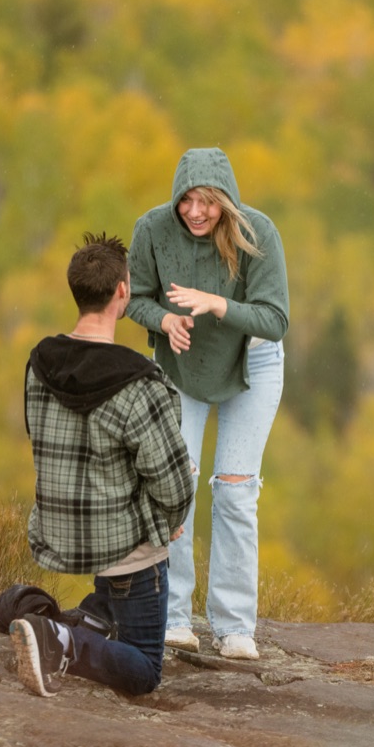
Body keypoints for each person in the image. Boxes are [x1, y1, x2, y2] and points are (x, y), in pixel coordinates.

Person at [14, 232, 196, 698]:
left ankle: (29, 610)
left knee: (118, 533)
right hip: (124, 552)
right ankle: (61, 641)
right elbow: (174, 488)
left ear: (77, 292)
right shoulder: (140, 384)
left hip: (60, 534)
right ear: (122, 292)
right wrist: (169, 523)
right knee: (144, 671)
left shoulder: (39, 364)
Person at [126, 147, 288, 660]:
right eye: (187, 200)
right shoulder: (151, 229)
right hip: (181, 365)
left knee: (236, 491)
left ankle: (235, 627)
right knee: (175, 488)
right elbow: (133, 296)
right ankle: (173, 619)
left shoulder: (259, 234)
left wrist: (218, 303)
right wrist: (165, 320)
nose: (196, 211)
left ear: (227, 202)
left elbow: (275, 320)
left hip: (252, 365)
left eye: (208, 201)